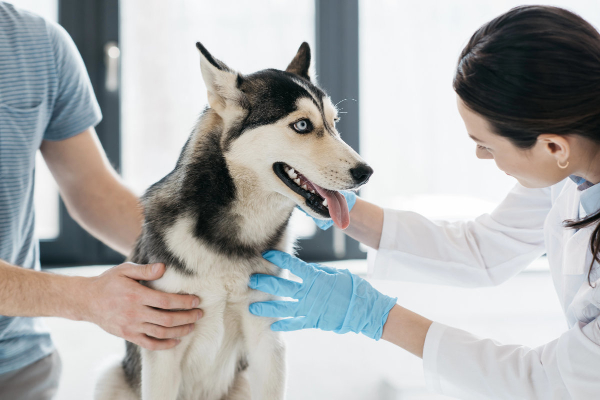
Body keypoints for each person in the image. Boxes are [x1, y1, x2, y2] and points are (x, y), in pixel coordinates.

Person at [249, 5, 600, 399]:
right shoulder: (571, 172)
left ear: (554, 146)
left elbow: (544, 381)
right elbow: (482, 249)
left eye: (485, 145)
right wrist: (335, 204)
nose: (482, 157)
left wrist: (376, 316)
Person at [0, 3, 202, 398]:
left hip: (20, 364)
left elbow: (93, 192)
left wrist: (202, 253)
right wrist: (88, 299)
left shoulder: (39, 43)